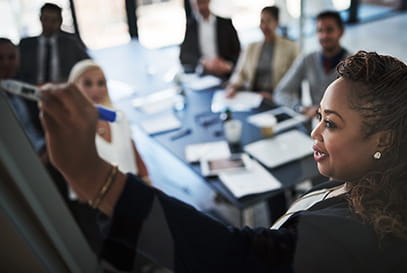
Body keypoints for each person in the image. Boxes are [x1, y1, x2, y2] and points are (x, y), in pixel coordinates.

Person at [39, 51, 407, 272]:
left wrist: (93, 176)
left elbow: (233, 258)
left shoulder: (359, 236)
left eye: (331, 124)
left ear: (383, 140)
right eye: (319, 117)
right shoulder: (363, 182)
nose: (315, 134)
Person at [67, 59, 149, 188]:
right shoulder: (70, 130)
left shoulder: (117, 116)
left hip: (133, 188)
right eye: (87, 83)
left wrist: (146, 179)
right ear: (73, 87)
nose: (96, 90)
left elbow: (133, 150)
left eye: (101, 83)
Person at [18, 2, 90, 134]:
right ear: (40, 19)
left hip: (62, 94)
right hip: (33, 96)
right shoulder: (26, 45)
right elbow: (17, 73)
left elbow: (88, 67)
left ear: (60, 21)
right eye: (46, 19)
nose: (49, 24)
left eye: (54, 20)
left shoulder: (71, 42)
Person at [274, 10, 352, 119]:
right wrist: (301, 108)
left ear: (341, 32)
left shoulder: (353, 65)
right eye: (320, 30)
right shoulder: (307, 59)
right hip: (315, 123)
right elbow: (281, 92)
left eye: (329, 30)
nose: (324, 36)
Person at [225, 6, 299, 101]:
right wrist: (233, 87)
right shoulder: (251, 47)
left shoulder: (290, 47)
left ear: (277, 23)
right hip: (253, 96)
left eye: (268, 21)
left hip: (277, 98)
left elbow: (294, 81)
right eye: (262, 21)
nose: (264, 26)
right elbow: (240, 72)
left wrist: (274, 97)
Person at [0, 38, 45, 154]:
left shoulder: (27, 85)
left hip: (44, 148)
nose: (6, 63)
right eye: (0, 58)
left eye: (11, 57)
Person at [179, 0, 241, 78]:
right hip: (203, 75)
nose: (200, 7)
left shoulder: (225, 24)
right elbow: (184, 56)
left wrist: (228, 65)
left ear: (209, 1)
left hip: (226, 74)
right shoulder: (191, 26)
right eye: (197, 4)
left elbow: (239, 52)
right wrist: (202, 62)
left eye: (202, 3)